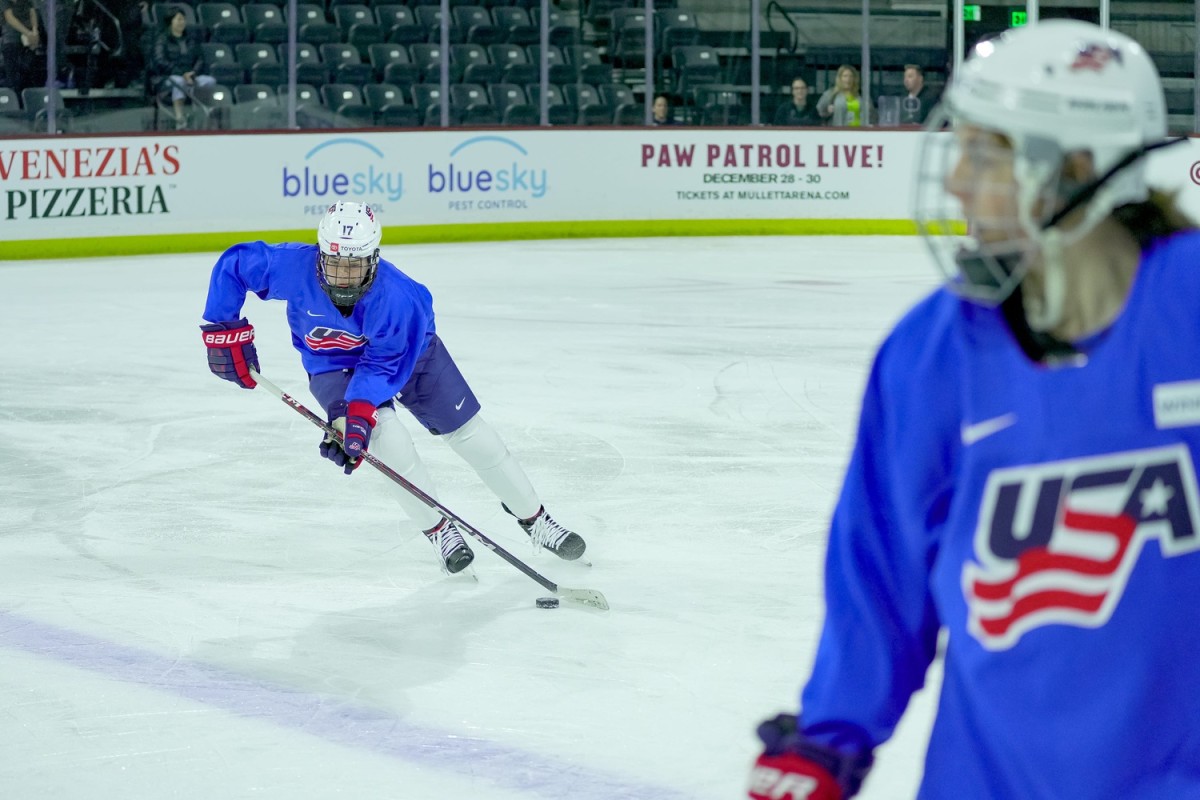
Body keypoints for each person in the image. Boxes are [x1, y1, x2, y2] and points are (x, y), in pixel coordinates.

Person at [749, 19, 1199, 800]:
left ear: (1077, 167)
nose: (956, 182)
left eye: (984, 155)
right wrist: (825, 741)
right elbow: (881, 575)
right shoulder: (930, 356)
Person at [199, 202, 588, 575]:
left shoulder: (400, 298)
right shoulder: (291, 267)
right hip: (335, 365)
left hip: (409, 354)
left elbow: (384, 364)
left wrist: (359, 413)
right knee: (390, 442)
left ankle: (535, 519)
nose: (342, 277)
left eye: (354, 266)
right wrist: (222, 328)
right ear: (319, 255)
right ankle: (439, 532)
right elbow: (235, 264)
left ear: (373, 259)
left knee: (472, 435)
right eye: (333, 264)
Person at [151, 7, 213, 130]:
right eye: (179, 19)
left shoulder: (191, 39)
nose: (182, 22)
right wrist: (182, 74)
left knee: (209, 81)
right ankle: (180, 118)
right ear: (171, 21)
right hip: (167, 77)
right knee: (179, 82)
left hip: (190, 76)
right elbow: (160, 61)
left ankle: (200, 114)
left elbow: (200, 59)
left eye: (183, 19)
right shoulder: (161, 40)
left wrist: (193, 74)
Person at [1, 0, 39, 93]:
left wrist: (35, 31)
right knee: (14, 80)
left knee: (28, 75)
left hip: (28, 41)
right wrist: (28, 33)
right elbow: (9, 17)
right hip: (11, 39)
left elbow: (32, 13)